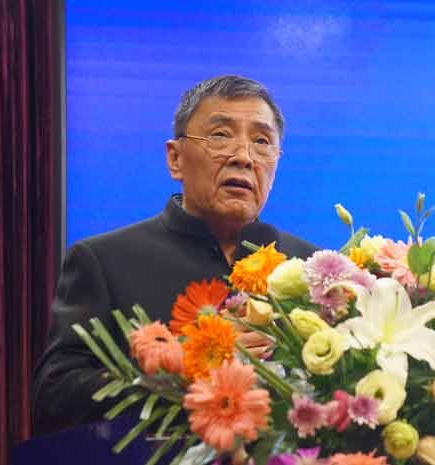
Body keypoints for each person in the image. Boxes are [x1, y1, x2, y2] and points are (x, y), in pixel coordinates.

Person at [32, 75, 317, 435]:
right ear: (175, 158)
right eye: (221, 135)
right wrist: (187, 369)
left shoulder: (310, 270)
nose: (244, 157)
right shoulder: (103, 261)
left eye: (262, 141)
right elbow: (54, 397)